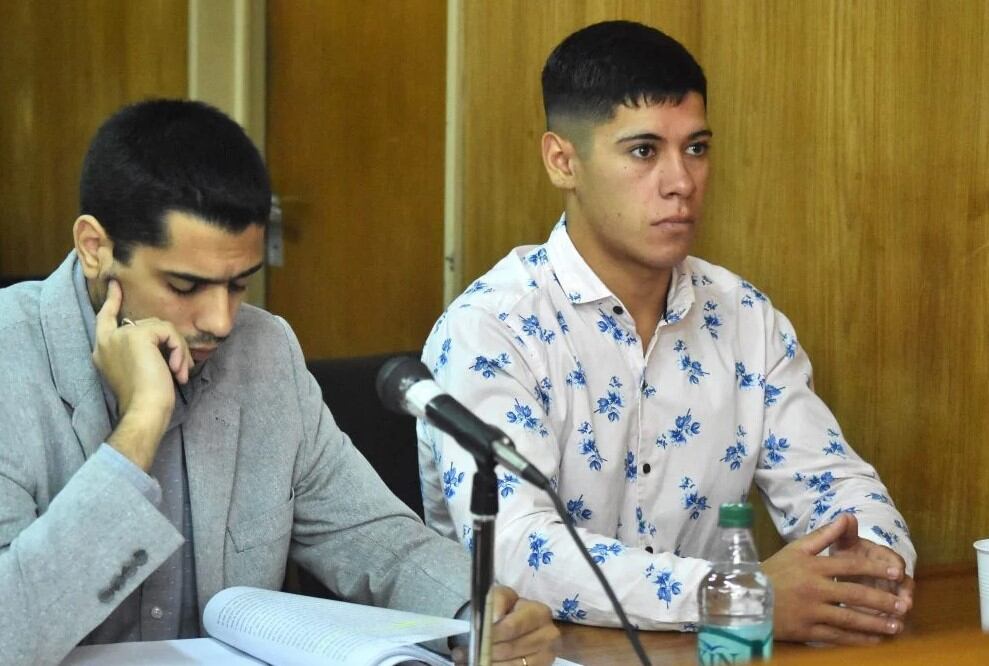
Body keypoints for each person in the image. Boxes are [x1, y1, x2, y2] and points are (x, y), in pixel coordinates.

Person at [0, 99, 559, 666]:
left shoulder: (264, 352)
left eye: (240, 284)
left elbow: (375, 538)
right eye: (186, 285)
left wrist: (475, 616)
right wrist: (141, 420)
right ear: (96, 248)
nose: (221, 321)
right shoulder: (8, 359)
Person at [419, 20, 916, 645]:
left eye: (697, 148)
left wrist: (870, 564)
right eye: (644, 151)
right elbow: (517, 551)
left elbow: (835, 486)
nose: (681, 182)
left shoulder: (744, 317)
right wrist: (733, 596)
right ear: (562, 160)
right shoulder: (491, 329)